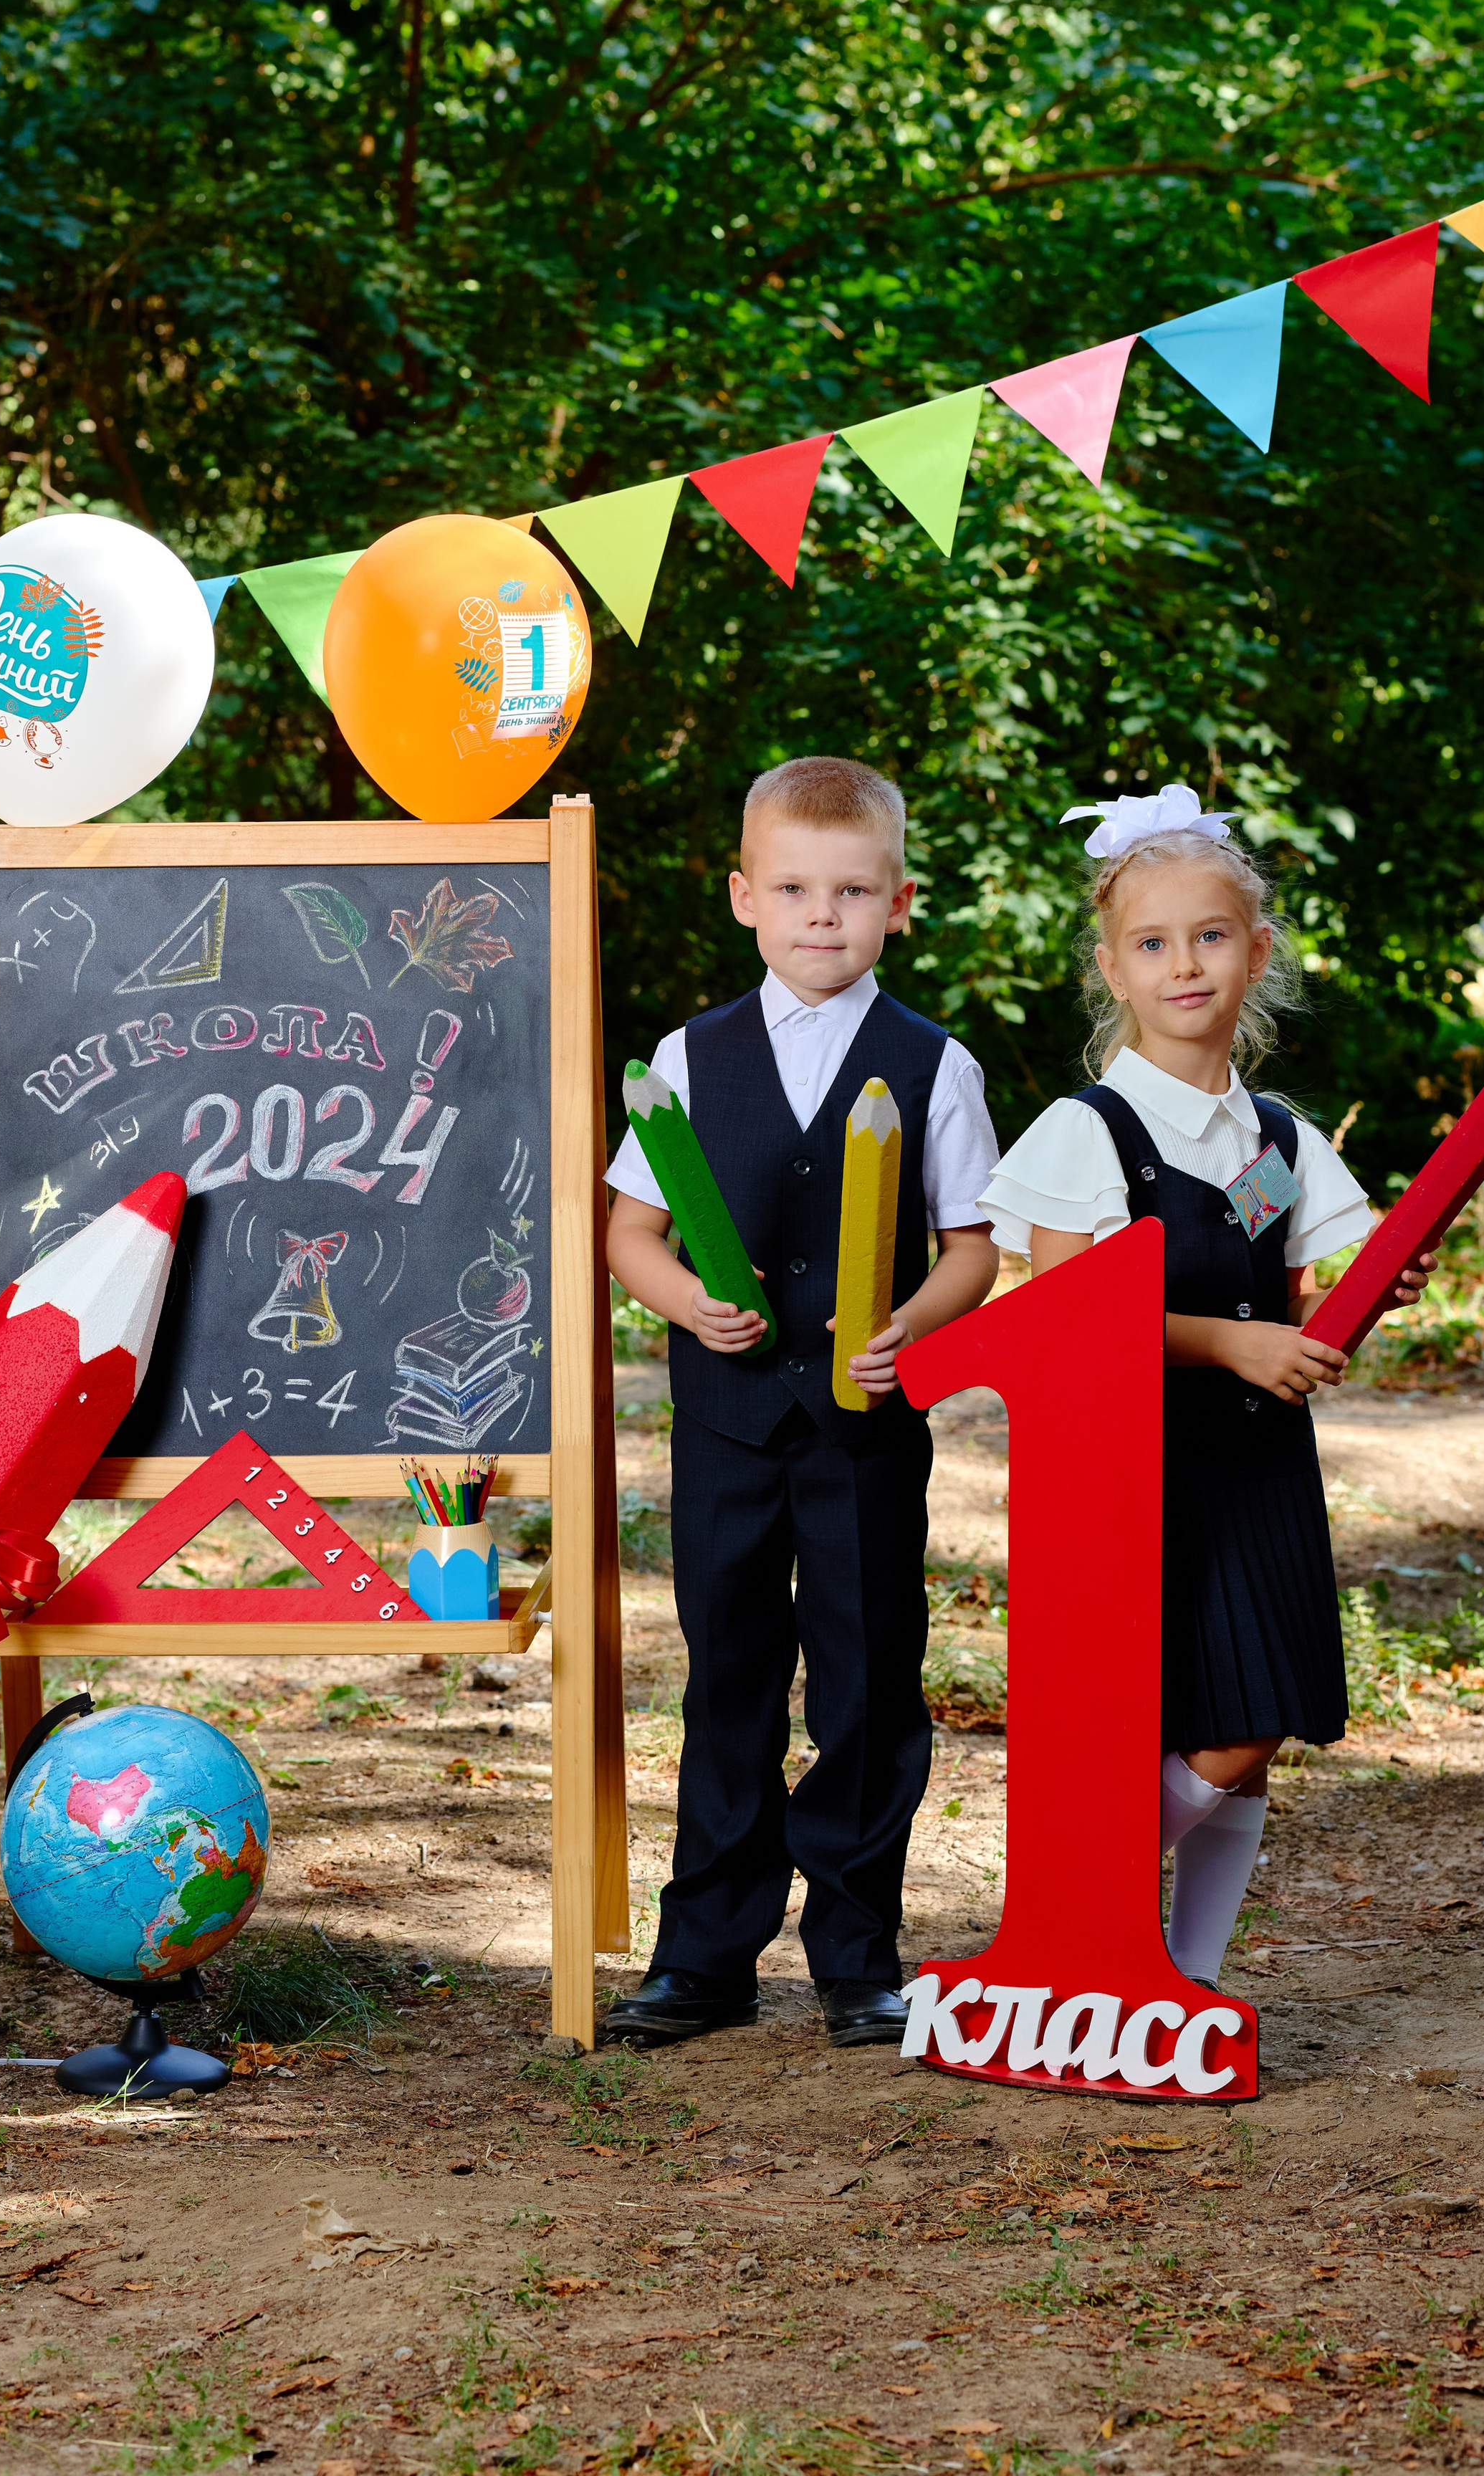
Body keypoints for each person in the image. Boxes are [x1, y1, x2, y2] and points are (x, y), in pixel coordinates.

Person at [977, 783, 1433, 1989]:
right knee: (1227, 1721)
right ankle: (1081, 1897)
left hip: (1263, 1465)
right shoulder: (1090, 1132)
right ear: (1113, 971)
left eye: (1212, 935)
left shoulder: (1277, 1136)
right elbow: (1060, 1327)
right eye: (1153, 943)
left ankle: (1185, 1977)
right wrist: (1232, 1348)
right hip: (1141, 1473)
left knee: (1254, 1723)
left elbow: (1299, 1318)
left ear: (1258, 952)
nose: (1186, 964)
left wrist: (1381, 1286)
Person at [601, 756, 1000, 2050]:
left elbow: (972, 1248)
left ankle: (856, 1953)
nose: (820, 914)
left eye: (850, 890)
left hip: (865, 1429)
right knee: (727, 1678)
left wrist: (909, 1328)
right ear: (743, 897)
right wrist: (683, 1301)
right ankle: (705, 1955)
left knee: (870, 1685)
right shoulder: (685, 1056)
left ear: (899, 903)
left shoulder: (935, 1064)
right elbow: (631, 1233)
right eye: (792, 888)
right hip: (726, 1424)